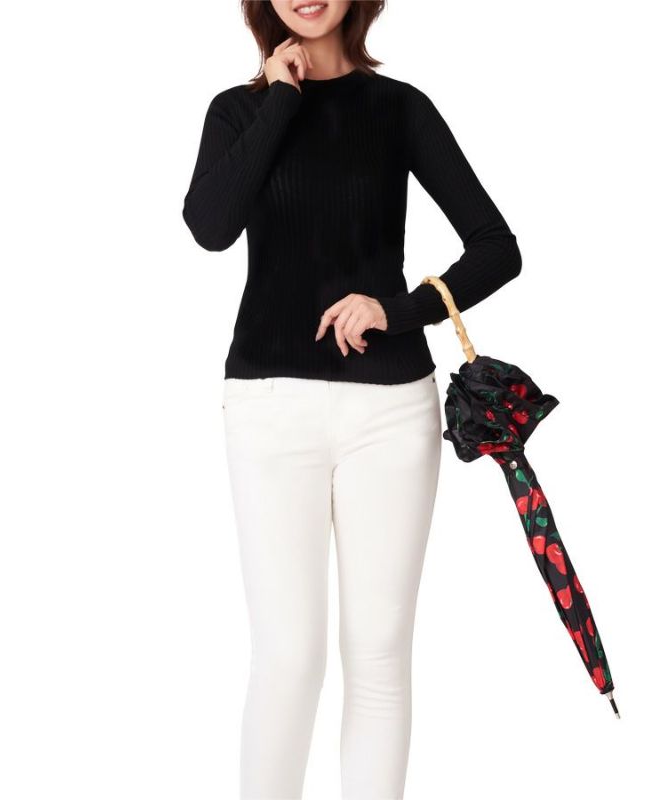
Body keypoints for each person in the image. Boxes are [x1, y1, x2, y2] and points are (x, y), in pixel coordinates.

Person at [181, 2, 522, 797]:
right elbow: (210, 226)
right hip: (270, 406)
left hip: (390, 411)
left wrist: (396, 310)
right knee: (288, 656)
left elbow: (496, 247)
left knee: (378, 655)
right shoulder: (237, 110)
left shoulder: (398, 108)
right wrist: (281, 97)